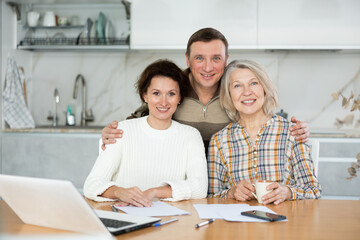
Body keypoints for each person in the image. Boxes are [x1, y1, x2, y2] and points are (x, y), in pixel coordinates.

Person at [100, 28, 310, 152]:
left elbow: (262, 120)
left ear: (226, 59)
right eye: (199, 58)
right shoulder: (174, 88)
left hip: (227, 185)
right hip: (179, 181)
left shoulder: (235, 90)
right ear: (188, 59)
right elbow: (142, 117)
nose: (208, 67)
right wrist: (113, 132)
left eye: (216, 58)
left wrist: (297, 131)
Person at [83, 60, 208, 207]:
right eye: (156, 93)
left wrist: (155, 192)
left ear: (179, 98)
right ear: (145, 96)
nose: (163, 102)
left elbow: (200, 188)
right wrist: (119, 192)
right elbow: (91, 184)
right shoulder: (121, 131)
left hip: (171, 221)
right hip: (125, 219)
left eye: (171, 94)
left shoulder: (190, 135)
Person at [207, 60, 321, 205]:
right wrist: (231, 193)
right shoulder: (219, 141)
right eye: (237, 86)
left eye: (254, 83)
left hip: (285, 224)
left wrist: (287, 192)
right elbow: (211, 197)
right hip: (239, 225)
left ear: (264, 88)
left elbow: (314, 190)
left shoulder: (291, 132)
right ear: (229, 94)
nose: (247, 92)